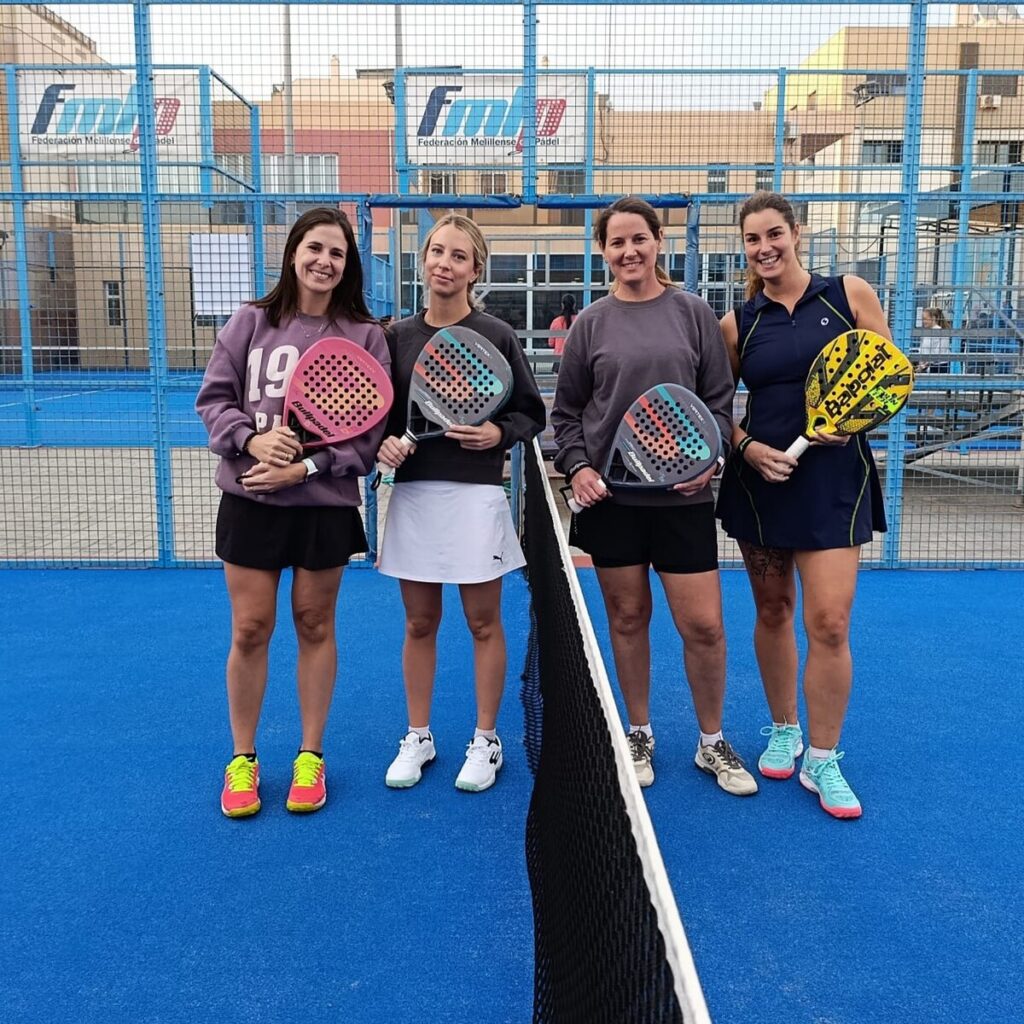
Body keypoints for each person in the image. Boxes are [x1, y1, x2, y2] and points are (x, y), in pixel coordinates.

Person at [551, 196, 757, 797]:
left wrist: (711, 458)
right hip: (611, 503)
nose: (628, 251)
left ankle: (712, 742)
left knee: (705, 627)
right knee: (627, 617)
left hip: (683, 502)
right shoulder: (591, 323)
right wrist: (578, 469)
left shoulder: (693, 314)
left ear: (657, 240)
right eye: (616, 243)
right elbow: (566, 417)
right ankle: (638, 732)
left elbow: (718, 402)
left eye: (638, 239)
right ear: (604, 251)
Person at [196, 208, 390, 818]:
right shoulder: (251, 322)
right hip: (250, 500)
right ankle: (243, 759)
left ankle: (311, 755)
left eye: (337, 253)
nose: (324, 261)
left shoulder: (364, 335)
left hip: (322, 507)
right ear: (293, 253)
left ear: (347, 264)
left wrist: (304, 466)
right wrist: (252, 441)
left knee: (314, 625)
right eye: (314, 248)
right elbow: (214, 399)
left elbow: (366, 437)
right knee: (250, 629)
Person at [716, 190, 892, 820]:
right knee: (773, 608)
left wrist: (856, 419)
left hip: (833, 485)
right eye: (752, 240)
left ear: (797, 232)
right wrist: (749, 449)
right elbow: (717, 407)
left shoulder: (849, 294)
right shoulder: (739, 324)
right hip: (763, 485)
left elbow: (890, 373)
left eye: (773, 235)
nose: (764, 248)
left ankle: (823, 756)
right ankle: (783, 726)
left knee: (830, 622)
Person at [377, 213, 545, 792]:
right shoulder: (394, 337)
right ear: (424, 260)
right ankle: (418, 735)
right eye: (437, 252)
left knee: (481, 621)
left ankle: (486, 739)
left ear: (476, 270)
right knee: (420, 621)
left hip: (476, 495)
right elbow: (376, 418)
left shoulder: (496, 335)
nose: (445, 264)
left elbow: (530, 413)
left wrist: (498, 435)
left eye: (458, 256)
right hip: (415, 496)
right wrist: (384, 448)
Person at [548, 293, 578, 374]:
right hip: (575, 359)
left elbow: (551, 343)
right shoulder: (579, 320)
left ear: (562, 305)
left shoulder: (556, 321)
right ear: (574, 305)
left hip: (559, 360)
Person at [918, 306, 950, 373]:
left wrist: (926, 364)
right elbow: (921, 349)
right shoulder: (926, 333)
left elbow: (940, 352)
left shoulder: (942, 332)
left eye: (925, 319)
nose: (923, 321)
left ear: (933, 318)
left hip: (940, 367)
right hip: (927, 367)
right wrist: (921, 363)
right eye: (923, 319)